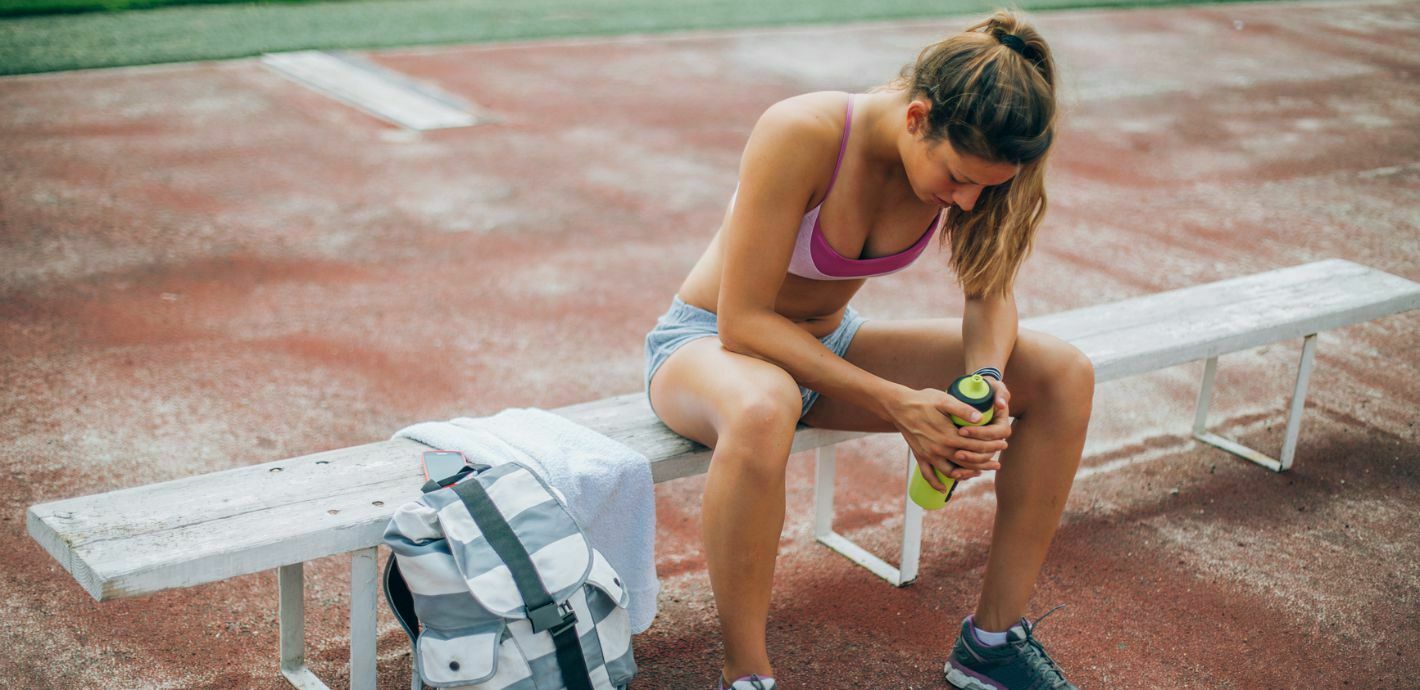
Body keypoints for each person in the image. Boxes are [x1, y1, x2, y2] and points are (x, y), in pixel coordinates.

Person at [642, 9, 1093, 690]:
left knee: (1061, 372)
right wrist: (898, 404)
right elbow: (744, 322)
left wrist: (987, 382)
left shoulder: (982, 163)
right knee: (767, 403)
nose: (966, 202)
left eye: (984, 187)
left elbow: (989, 289)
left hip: (829, 350)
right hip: (709, 348)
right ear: (916, 118)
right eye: (956, 178)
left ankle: (991, 644)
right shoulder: (803, 130)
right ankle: (747, 678)